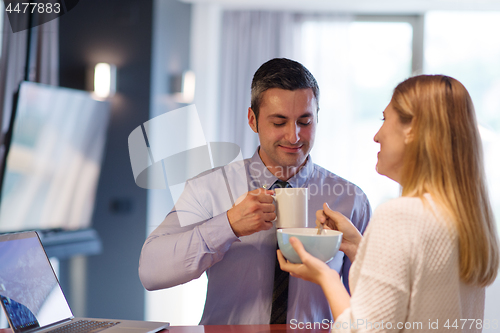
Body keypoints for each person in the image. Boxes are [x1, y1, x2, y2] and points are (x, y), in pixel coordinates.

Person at [138, 58, 372, 325]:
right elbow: (151, 271)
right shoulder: (209, 188)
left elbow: (371, 308)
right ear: (253, 120)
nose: (294, 136)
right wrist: (227, 226)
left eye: (304, 122)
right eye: (279, 122)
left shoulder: (352, 200)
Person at [278, 75, 500, 332]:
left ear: (412, 129)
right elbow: (416, 295)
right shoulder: (464, 217)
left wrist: (327, 278)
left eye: (385, 119)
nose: (376, 135)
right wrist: (358, 247)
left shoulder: (400, 215)